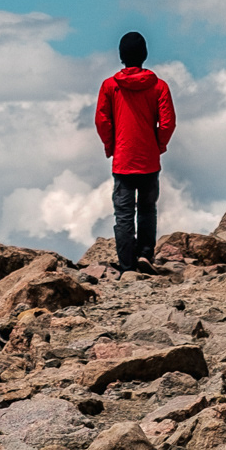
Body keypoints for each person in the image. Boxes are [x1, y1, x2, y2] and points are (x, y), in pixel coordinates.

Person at [95, 31, 175, 274]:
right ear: (145, 55)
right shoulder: (159, 86)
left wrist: (111, 146)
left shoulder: (110, 86)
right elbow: (168, 122)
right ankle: (145, 255)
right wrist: (158, 145)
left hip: (123, 159)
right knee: (148, 209)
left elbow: (102, 121)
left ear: (121, 56)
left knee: (124, 215)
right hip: (149, 159)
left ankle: (127, 266)